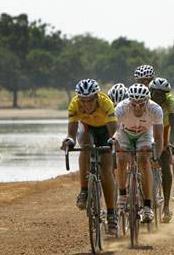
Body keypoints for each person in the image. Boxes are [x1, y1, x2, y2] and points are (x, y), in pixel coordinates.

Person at [60, 79, 119, 235]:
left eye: (90, 100)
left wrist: (113, 142)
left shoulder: (106, 103)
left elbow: (113, 132)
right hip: (87, 129)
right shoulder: (74, 104)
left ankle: (112, 214)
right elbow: (72, 133)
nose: (86, 104)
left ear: (96, 97)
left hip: (105, 130)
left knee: (106, 171)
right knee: (85, 145)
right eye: (83, 100)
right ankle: (84, 191)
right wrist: (69, 140)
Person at [114, 83, 163, 223]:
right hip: (124, 133)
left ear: (147, 101)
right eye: (134, 104)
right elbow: (113, 131)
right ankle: (122, 194)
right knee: (122, 159)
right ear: (129, 101)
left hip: (144, 134)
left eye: (141, 104)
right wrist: (115, 145)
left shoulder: (155, 109)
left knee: (144, 159)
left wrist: (156, 157)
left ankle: (148, 206)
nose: (137, 107)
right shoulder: (120, 108)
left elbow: (159, 137)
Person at [149, 77, 174, 223]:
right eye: (156, 93)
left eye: (162, 94)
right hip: (147, 132)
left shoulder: (170, 102)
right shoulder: (145, 98)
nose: (159, 97)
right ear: (151, 91)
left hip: (164, 133)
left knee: (166, 169)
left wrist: (172, 143)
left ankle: (166, 206)